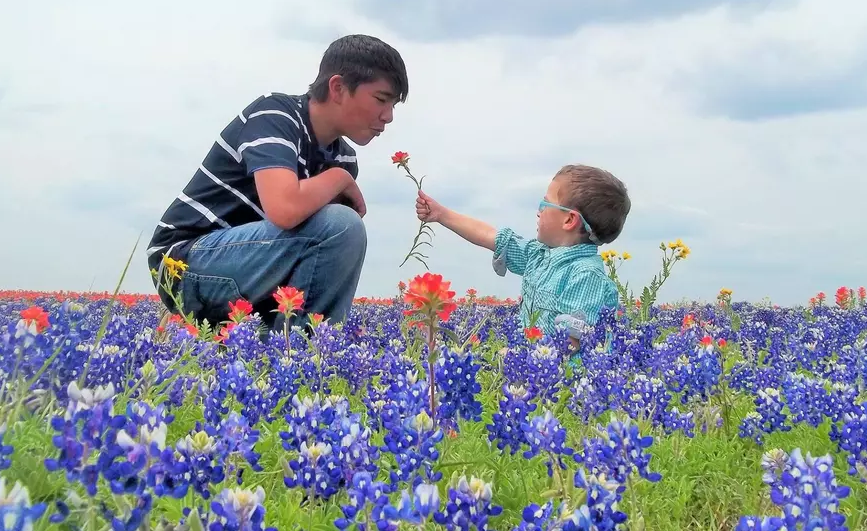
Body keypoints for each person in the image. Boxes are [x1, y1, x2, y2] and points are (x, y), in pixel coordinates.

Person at [147, 34, 409, 332]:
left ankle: (289, 352)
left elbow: (318, 253)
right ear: (337, 88)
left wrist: (341, 175)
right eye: (381, 100)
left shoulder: (344, 158)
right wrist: (339, 179)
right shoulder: (275, 115)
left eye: (393, 106)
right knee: (342, 225)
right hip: (185, 263)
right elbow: (284, 208)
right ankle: (300, 350)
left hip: (258, 267)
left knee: (340, 230)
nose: (387, 117)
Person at [415, 164, 629, 353]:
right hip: (531, 367)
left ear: (569, 220)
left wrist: (527, 356)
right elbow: (491, 237)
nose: (538, 211)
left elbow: (571, 341)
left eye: (545, 205)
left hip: (567, 384)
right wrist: (441, 214)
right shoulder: (537, 254)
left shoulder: (585, 275)